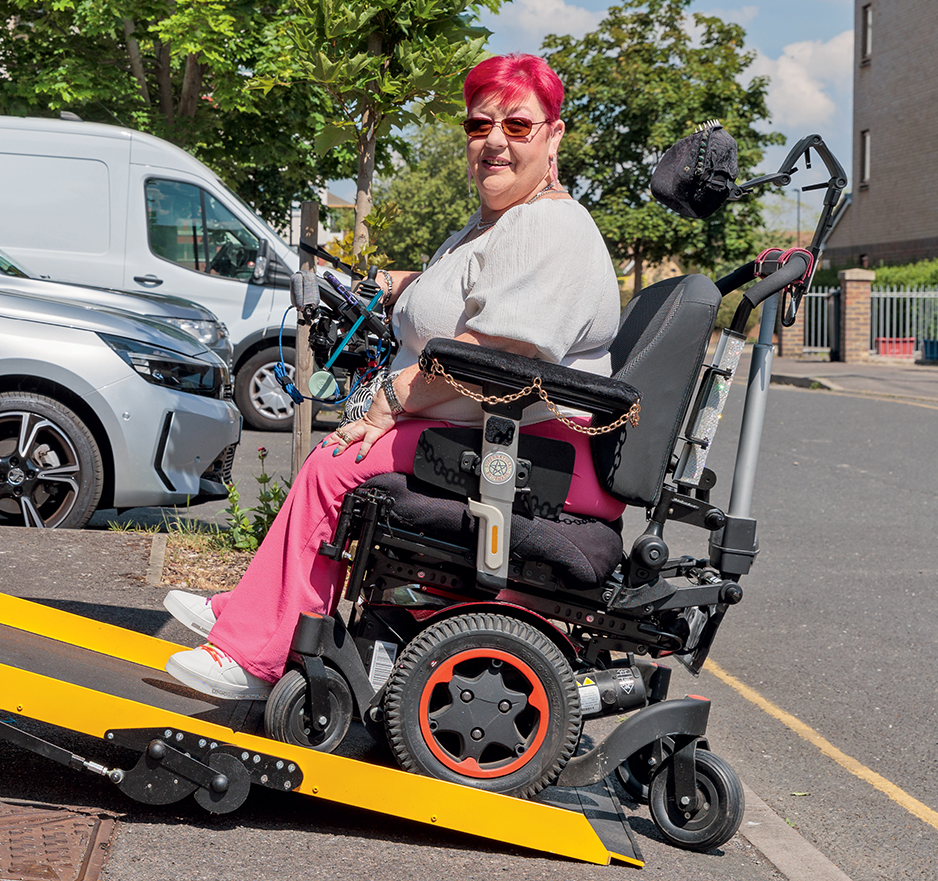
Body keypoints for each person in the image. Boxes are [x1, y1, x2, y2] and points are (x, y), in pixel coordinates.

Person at [163, 54, 625, 699]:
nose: (494, 142)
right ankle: (253, 611)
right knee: (337, 453)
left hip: (535, 449)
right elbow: (468, 290)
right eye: (479, 125)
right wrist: (399, 285)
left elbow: (503, 349)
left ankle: (255, 657)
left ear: (554, 136)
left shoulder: (549, 224)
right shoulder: (499, 222)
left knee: (338, 461)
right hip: (491, 431)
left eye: (517, 126)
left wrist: (394, 398)